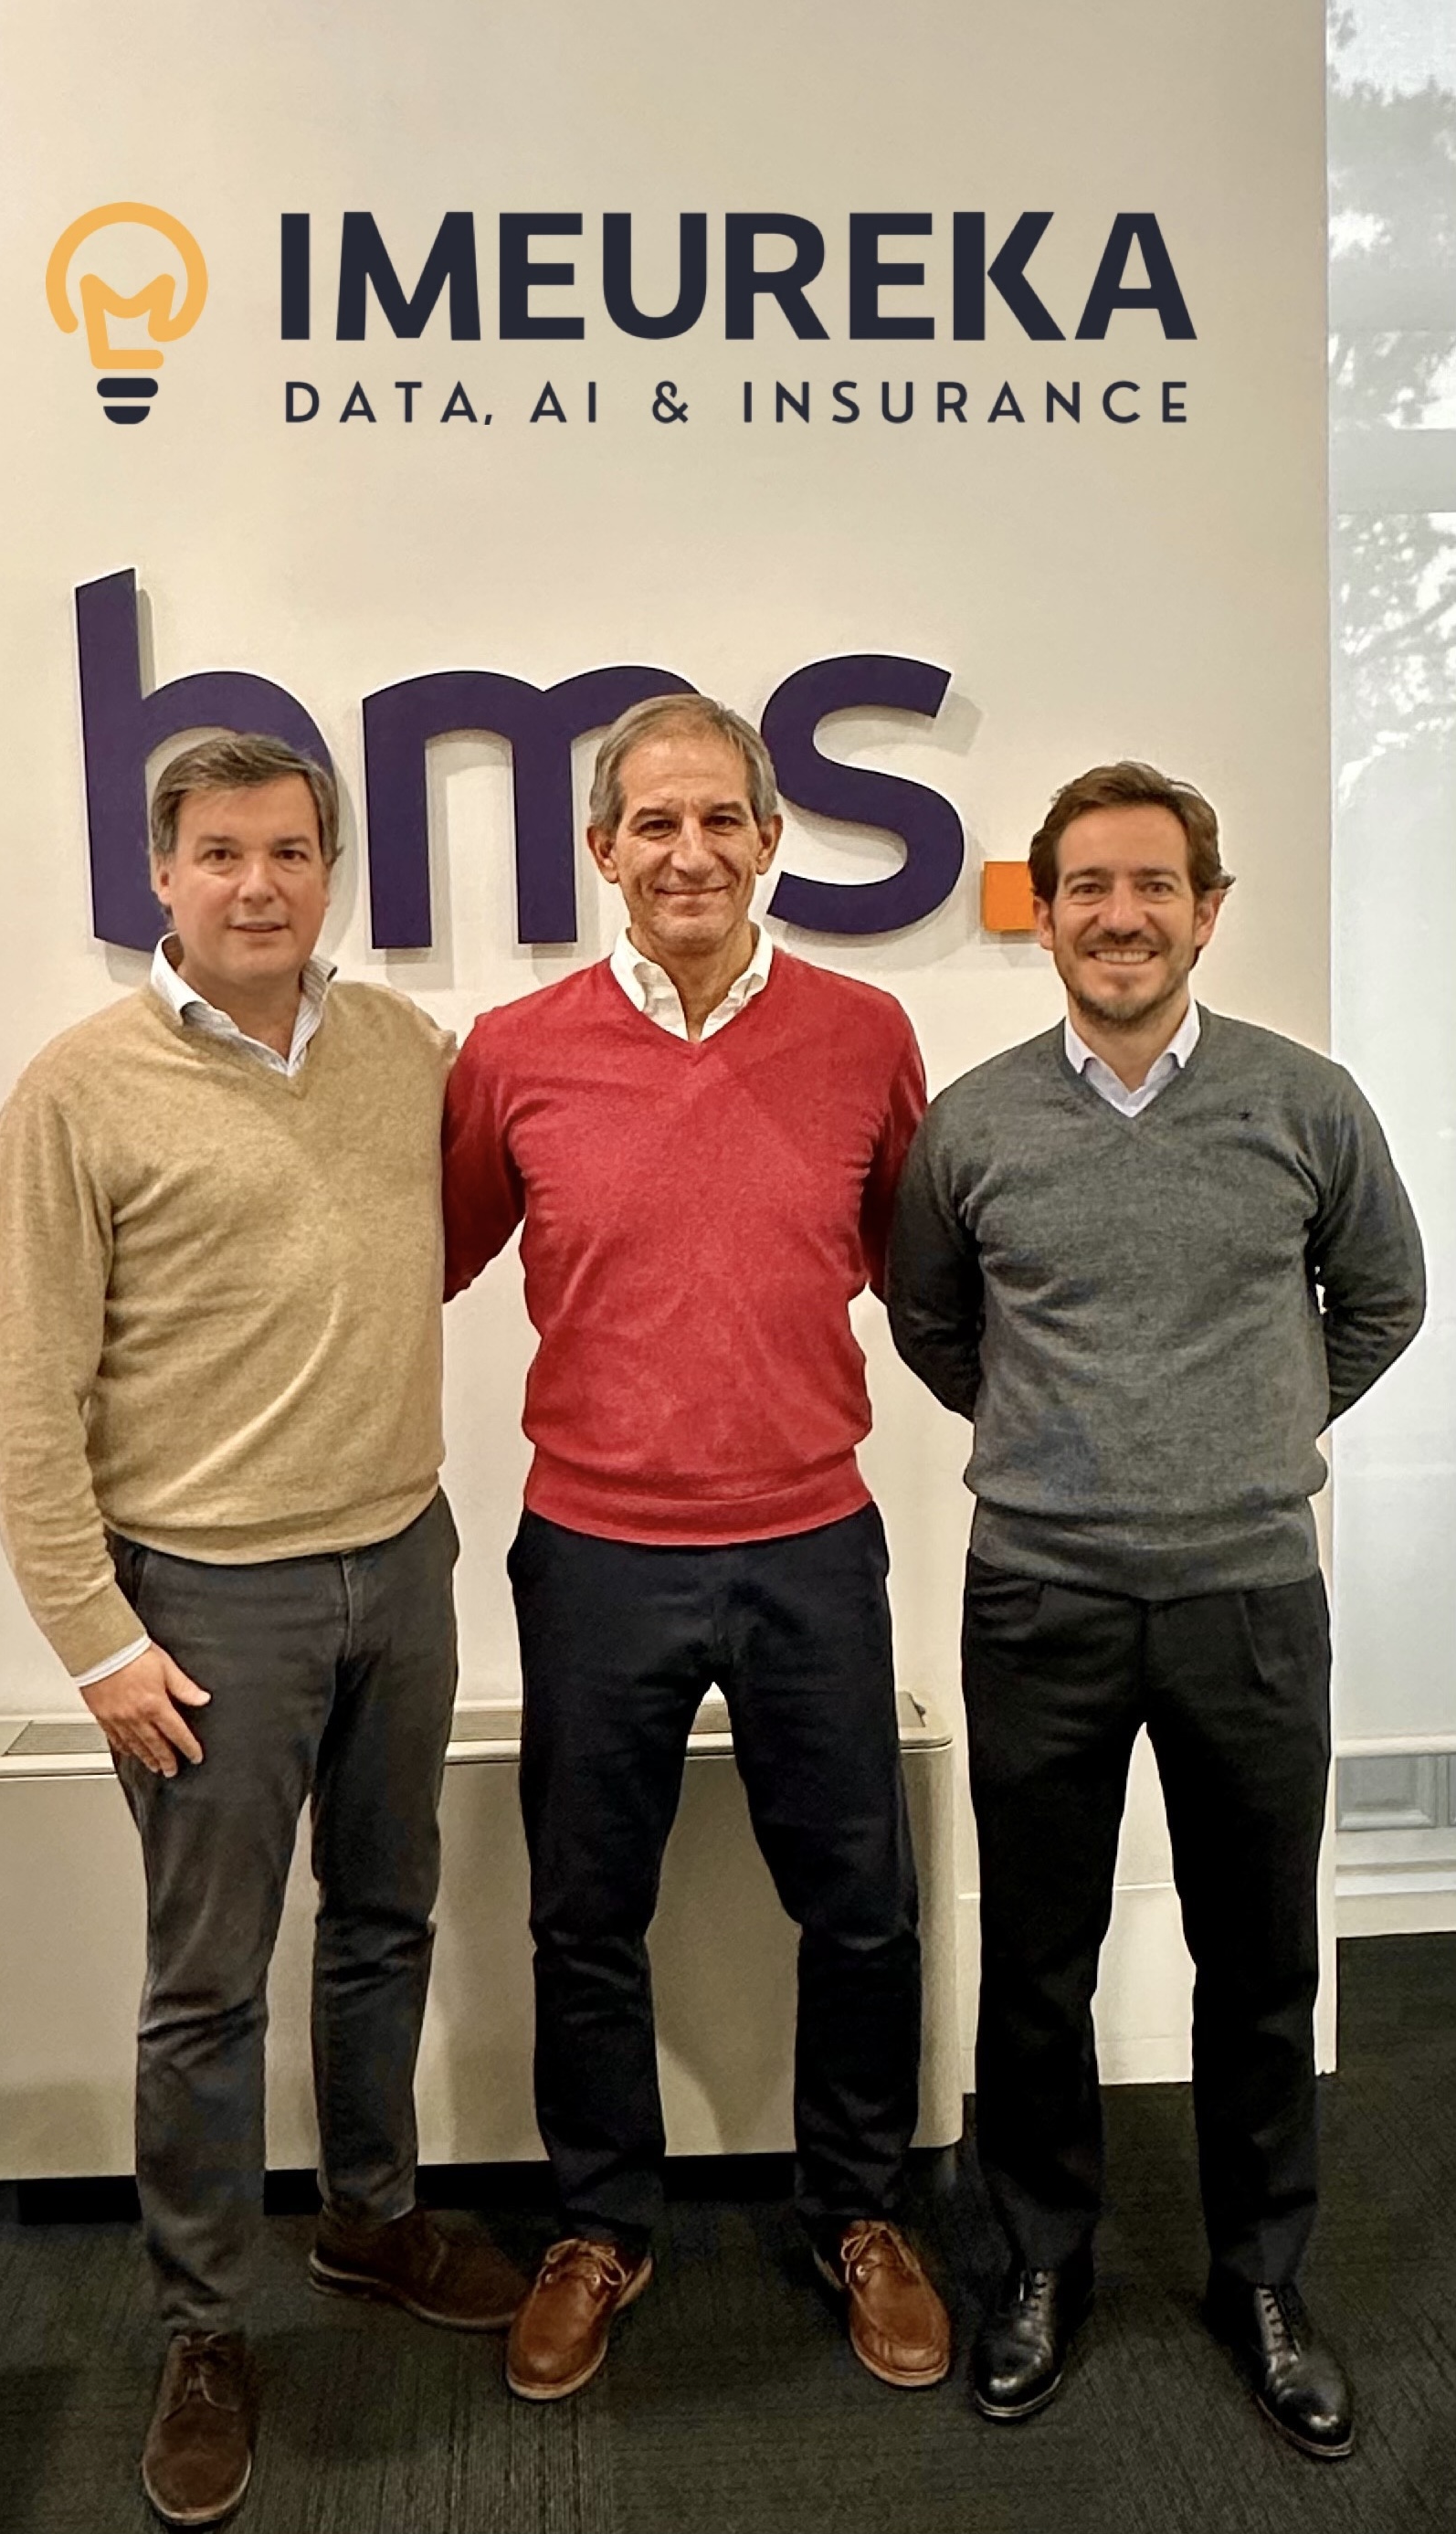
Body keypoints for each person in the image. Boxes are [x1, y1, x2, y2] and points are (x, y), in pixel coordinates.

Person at [0, 733, 524, 2529]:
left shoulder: (403, 1052)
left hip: (402, 1560)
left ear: (329, 867)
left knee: (383, 1920)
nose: (259, 883)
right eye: (221, 852)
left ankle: (370, 2218)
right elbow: (22, 1398)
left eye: (290, 849)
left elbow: (433, 1245)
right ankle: (204, 2326)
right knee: (204, 1987)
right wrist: (96, 1640)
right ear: (163, 874)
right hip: (204, 1602)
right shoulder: (78, 1090)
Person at [887, 760, 1425, 2459]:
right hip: (1038, 1598)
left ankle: (1261, 2277)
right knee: (1036, 1962)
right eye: (1087, 888)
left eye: (1152, 886)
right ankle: (1040, 2263)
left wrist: (1248, 1436)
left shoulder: (1304, 1103)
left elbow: (1384, 1299)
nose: (1119, 916)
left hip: (1245, 1598)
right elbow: (931, 1322)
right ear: (1043, 914)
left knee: (1255, 1958)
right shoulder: (972, 1122)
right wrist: (1061, 1446)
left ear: (1206, 908)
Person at [440, 694, 949, 2403]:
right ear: (601, 849)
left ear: (769, 838)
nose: (689, 852)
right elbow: (415, 1259)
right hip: (594, 1551)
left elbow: (912, 1267)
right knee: (586, 1914)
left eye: (720, 818)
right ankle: (600, 2226)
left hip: (811, 1541)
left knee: (860, 1908)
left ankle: (858, 2211)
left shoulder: (864, 1033)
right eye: (654, 823)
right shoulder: (514, 1051)